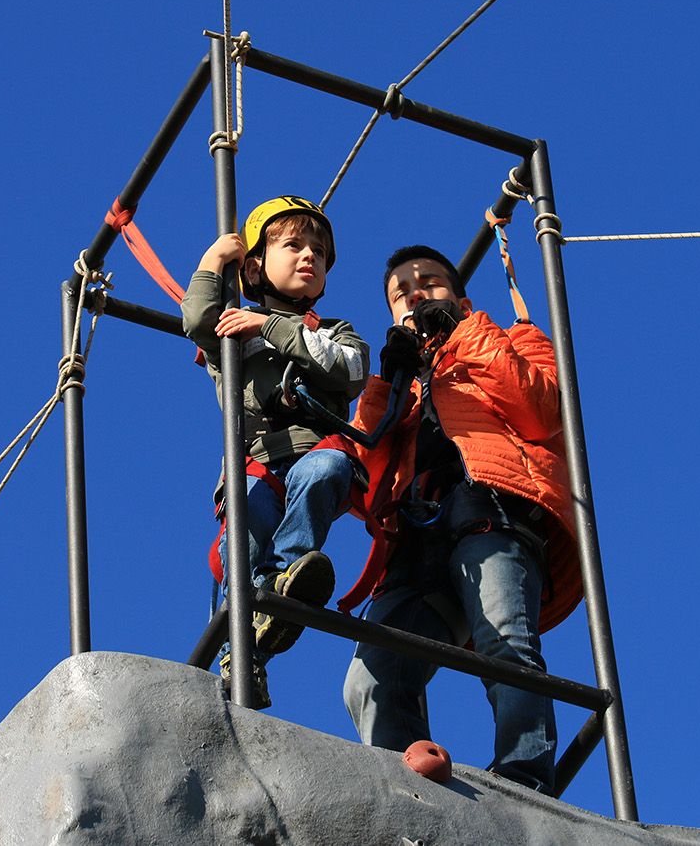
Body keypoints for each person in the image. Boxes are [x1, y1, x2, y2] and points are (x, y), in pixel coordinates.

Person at [339, 245, 582, 792]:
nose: (416, 294)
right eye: (401, 292)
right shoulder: (406, 382)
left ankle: (524, 781)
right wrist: (386, 383)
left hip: (490, 504)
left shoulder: (511, 338)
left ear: (462, 297)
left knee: (503, 640)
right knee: (371, 675)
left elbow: (542, 411)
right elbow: (367, 480)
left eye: (429, 283)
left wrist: (463, 332)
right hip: (415, 532)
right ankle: (415, 788)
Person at [181, 196, 369, 707]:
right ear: (257, 265)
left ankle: (283, 578)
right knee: (245, 524)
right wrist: (212, 263)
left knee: (327, 467)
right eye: (294, 245)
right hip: (257, 462)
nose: (310, 256)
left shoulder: (332, 332)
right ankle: (240, 652)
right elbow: (199, 321)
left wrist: (269, 327)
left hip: (314, 453)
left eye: (320, 251)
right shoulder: (235, 329)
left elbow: (348, 370)